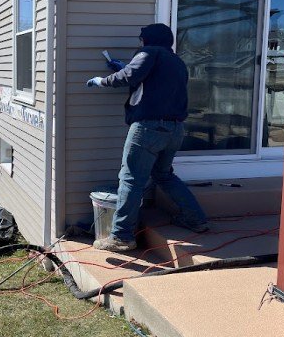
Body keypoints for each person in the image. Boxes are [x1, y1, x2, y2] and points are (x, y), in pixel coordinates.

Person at [86, 23, 208, 252]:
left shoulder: (149, 53)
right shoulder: (177, 62)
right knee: (164, 175)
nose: (140, 43)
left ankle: (122, 236)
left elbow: (129, 76)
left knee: (131, 180)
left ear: (149, 39)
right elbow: (151, 83)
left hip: (149, 128)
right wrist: (128, 68)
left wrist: (102, 80)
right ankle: (196, 219)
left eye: (142, 39)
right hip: (175, 130)